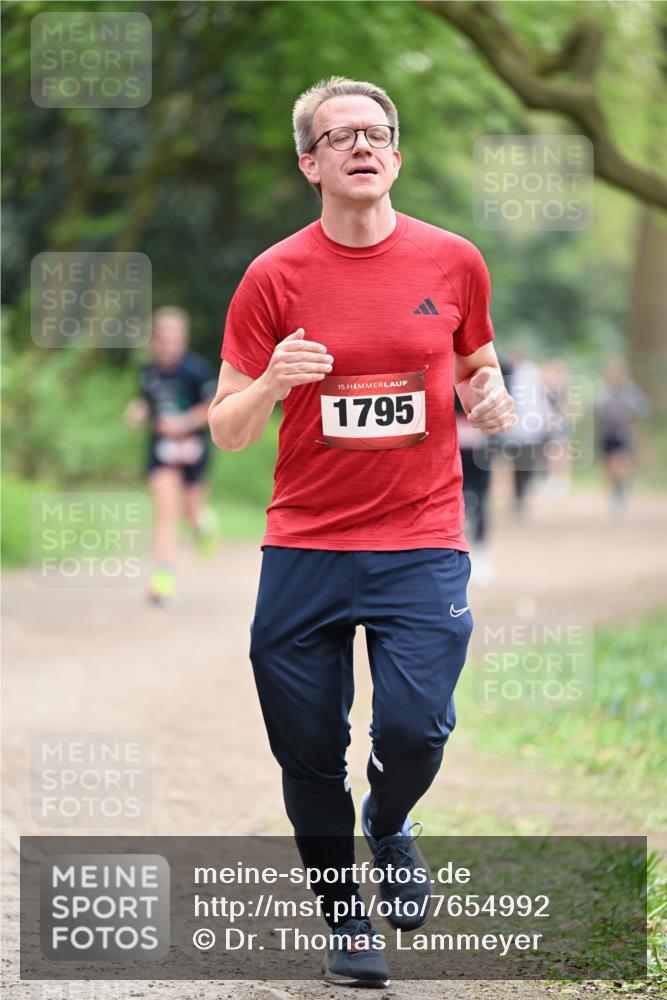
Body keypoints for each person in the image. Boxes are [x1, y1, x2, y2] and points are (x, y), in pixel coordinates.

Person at [209, 77, 516, 987]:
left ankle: (387, 820)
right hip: (305, 543)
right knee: (307, 748)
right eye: (338, 136)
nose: (360, 146)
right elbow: (227, 427)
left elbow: (477, 362)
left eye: (375, 133)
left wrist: (489, 395)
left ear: (396, 155)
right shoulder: (272, 276)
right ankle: (345, 920)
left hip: (421, 539)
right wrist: (273, 380)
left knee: (416, 730)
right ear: (310, 164)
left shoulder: (452, 261)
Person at [125, 307, 217, 603]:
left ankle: (202, 527)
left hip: (193, 450)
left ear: (183, 339)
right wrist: (138, 411)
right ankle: (163, 578)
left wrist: (184, 422)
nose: (168, 343)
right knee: (166, 513)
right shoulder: (148, 371)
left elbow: (213, 407)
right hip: (162, 450)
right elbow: (146, 401)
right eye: (163, 337)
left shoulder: (196, 370)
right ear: (155, 339)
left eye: (174, 337)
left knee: (191, 512)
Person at [595, 358, 648, 516]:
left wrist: (630, 420)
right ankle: (615, 494)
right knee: (608, 467)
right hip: (607, 432)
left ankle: (622, 490)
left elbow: (641, 410)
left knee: (621, 462)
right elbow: (597, 410)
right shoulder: (603, 391)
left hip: (624, 434)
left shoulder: (631, 392)